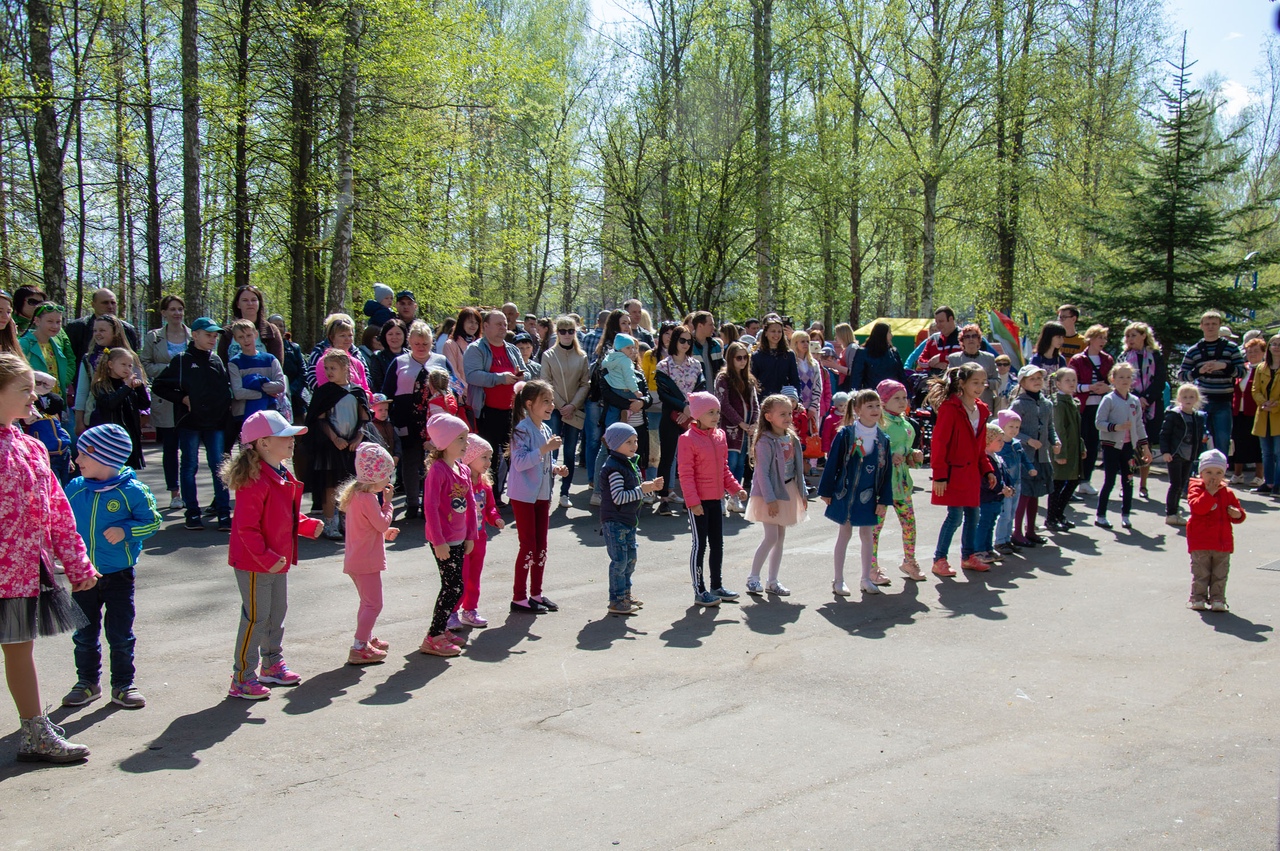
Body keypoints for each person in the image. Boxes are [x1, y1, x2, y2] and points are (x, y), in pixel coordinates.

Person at [0, 352, 98, 762]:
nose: (33, 399)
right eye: (24, 391)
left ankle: (34, 732)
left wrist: (77, 562)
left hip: (21, 572)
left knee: (20, 650)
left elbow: (57, 511)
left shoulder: (33, 447)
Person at [221, 410, 323, 698]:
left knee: (276, 613)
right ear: (264, 443)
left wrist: (306, 525)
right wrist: (266, 557)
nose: (292, 441)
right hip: (255, 563)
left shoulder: (280, 473)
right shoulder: (254, 480)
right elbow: (246, 529)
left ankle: (271, 664)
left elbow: (285, 516)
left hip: (275, 560)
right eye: (285, 436)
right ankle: (242, 677)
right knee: (255, 617)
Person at [62, 423, 161, 710]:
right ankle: (87, 683)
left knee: (120, 635)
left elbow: (153, 521)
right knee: (83, 633)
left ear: (105, 458)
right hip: (82, 576)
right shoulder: (76, 488)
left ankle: (123, 685)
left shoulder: (133, 491)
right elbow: (63, 524)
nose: (76, 460)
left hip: (118, 576)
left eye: (82, 455)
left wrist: (126, 531)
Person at [153, 317, 234, 531]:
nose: (212, 339)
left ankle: (224, 513)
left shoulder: (216, 360)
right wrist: (182, 399)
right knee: (189, 465)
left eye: (215, 336)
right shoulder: (182, 360)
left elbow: (225, 391)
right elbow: (159, 386)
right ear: (195, 335)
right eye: (208, 335)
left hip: (215, 423)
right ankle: (192, 512)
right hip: (189, 422)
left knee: (219, 466)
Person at [819, 389, 894, 593]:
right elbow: (832, 462)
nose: (875, 409)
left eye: (878, 405)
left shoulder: (883, 439)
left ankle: (865, 578)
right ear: (858, 409)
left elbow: (887, 472)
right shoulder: (846, 434)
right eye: (869, 406)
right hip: (845, 492)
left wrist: (884, 500)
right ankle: (838, 579)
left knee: (867, 534)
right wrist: (826, 490)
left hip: (868, 495)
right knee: (845, 532)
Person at [678, 392, 746, 607]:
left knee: (718, 543)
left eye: (717, 411)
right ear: (697, 415)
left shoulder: (720, 436)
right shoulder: (687, 439)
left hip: (716, 499)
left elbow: (724, 468)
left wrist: (736, 489)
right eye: (711, 412)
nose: (716, 416)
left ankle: (717, 586)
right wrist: (693, 502)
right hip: (699, 502)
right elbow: (685, 474)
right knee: (700, 545)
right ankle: (700, 590)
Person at [927, 365, 995, 576]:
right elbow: (939, 444)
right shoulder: (950, 408)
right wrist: (939, 475)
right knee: (955, 517)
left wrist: (988, 470)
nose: (980, 386)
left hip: (972, 474)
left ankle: (968, 556)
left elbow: (980, 447)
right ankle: (940, 559)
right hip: (953, 473)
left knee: (973, 515)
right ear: (962, 383)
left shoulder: (982, 410)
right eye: (975, 382)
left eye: (983, 382)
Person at [508, 380, 569, 614]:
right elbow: (521, 462)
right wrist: (545, 450)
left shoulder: (544, 428)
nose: (551, 405)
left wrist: (555, 467)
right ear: (530, 404)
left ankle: (536, 593)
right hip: (524, 496)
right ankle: (518, 596)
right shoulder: (522, 430)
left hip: (542, 494)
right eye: (546, 401)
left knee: (541, 545)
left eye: (552, 401)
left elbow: (541, 459)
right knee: (528, 546)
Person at [337, 443, 398, 665]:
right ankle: (359, 646)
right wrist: (388, 505)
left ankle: (366, 638)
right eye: (387, 475)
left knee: (366, 602)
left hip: (356, 558)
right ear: (376, 477)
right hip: (366, 562)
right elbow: (381, 524)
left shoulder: (356, 496)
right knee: (374, 604)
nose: (389, 480)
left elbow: (369, 528)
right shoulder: (369, 499)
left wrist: (383, 532)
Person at [420, 413, 475, 657]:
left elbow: (470, 504)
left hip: (458, 538)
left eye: (466, 438)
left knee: (455, 586)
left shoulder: (462, 469)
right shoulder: (438, 471)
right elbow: (430, 508)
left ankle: (441, 630)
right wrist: (439, 541)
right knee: (452, 587)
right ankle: (433, 636)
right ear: (444, 442)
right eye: (460, 439)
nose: (466, 443)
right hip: (443, 540)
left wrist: (470, 535)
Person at [381, 320, 448, 519]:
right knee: (410, 461)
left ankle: (430, 503)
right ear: (410, 341)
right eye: (417, 343)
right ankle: (412, 503)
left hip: (435, 421)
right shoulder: (399, 362)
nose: (421, 347)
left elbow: (455, 387)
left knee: (433, 463)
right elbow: (387, 392)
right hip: (407, 418)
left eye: (425, 344)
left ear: (432, 343)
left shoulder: (441, 361)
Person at [744, 393, 807, 595]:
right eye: (782, 414)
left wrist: (802, 492)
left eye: (790, 413)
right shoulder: (765, 441)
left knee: (780, 538)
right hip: (768, 494)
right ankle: (753, 577)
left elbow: (798, 469)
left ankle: (773, 581)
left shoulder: (791, 437)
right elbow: (762, 472)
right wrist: (770, 499)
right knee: (771, 537)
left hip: (787, 489)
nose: (788, 417)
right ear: (769, 416)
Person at [463, 310, 528, 501]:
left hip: (512, 412)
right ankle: (485, 496)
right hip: (486, 412)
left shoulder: (513, 349)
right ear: (486, 326)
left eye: (505, 324)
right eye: (498, 324)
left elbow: (527, 374)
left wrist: (522, 377)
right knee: (486, 457)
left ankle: (501, 494)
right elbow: (472, 375)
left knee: (511, 456)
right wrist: (499, 378)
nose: (503, 328)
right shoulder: (476, 349)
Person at [306, 349, 371, 539]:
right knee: (330, 486)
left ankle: (346, 520)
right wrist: (335, 438)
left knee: (350, 485)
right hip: (331, 447)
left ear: (345, 367)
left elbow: (364, 419)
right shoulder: (324, 392)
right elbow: (320, 419)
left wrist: (357, 439)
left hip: (352, 446)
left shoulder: (357, 391)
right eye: (326, 368)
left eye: (333, 368)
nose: (329, 372)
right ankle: (329, 522)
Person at [600, 422, 662, 615]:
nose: (634, 445)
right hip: (615, 521)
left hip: (628, 520)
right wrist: (643, 490)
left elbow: (634, 490)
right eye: (628, 442)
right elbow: (619, 497)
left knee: (630, 559)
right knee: (619, 561)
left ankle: (625, 593)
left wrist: (648, 487)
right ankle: (616, 599)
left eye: (635, 441)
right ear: (615, 444)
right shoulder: (615, 467)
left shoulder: (629, 462)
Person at [141, 296, 190, 508]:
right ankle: (174, 493)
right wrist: (171, 371)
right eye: (172, 309)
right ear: (164, 313)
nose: (177, 313)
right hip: (165, 400)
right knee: (170, 449)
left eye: (180, 309)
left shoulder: (193, 335)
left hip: (189, 401)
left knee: (189, 449)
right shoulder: (153, 338)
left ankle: (190, 492)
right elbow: (144, 364)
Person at [449, 434, 502, 629]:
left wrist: (495, 518)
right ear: (470, 457)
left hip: (480, 538)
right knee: (460, 577)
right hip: (462, 539)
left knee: (474, 577)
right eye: (484, 457)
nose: (489, 462)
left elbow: (490, 508)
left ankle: (470, 610)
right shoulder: (460, 483)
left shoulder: (485, 485)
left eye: (490, 457)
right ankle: (452, 612)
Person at [874, 380, 925, 581]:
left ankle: (909, 561)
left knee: (909, 524)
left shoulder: (907, 424)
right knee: (875, 529)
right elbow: (871, 450)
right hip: (882, 486)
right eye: (896, 398)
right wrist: (889, 456)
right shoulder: (879, 422)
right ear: (884, 401)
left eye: (904, 397)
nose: (902, 402)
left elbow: (906, 452)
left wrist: (914, 455)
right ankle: (871, 567)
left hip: (903, 485)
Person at [1178, 310, 1245, 459]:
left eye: (1214, 324)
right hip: (1202, 401)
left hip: (1223, 401)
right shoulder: (1194, 350)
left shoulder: (1231, 348)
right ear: (1201, 326)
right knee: (1199, 438)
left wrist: (1224, 366)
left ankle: (1220, 472)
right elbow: (1182, 376)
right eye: (1207, 324)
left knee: (1223, 439)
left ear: (1219, 326)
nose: (1210, 327)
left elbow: (1242, 372)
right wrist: (1198, 371)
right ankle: (1199, 471)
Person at [1092, 362, 1151, 530]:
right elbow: (1099, 423)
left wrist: (1144, 446)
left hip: (1128, 447)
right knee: (1109, 480)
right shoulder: (1109, 399)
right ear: (1113, 379)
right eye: (1121, 377)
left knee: (1128, 480)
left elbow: (1139, 424)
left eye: (1128, 377)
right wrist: (1115, 427)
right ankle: (1101, 515)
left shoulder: (1134, 401)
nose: (1125, 380)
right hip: (1111, 446)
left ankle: (1126, 515)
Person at [1185, 449, 1245, 612]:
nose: (1214, 477)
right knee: (1201, 572)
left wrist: (1238, 514)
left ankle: (1218, 599)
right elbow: (1197, 508)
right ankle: (1198, 597)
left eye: (1219, 473)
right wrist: (1209, 493)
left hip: (1221, 542)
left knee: (1220, 573)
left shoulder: (1227, 492)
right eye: (1209, 472)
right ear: (1201, 474)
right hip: (1200, 541)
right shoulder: (1196, 489)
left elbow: (1238, 513)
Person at [655, 324, 704, 513]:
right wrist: (683, 407)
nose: (685, 344)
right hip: (670, 415)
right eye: (681, 340)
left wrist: (690, 408)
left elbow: (701, 388)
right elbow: (664, 393)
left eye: (688, 341)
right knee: (667, 457)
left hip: (691, 416)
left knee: (690, 458)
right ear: (674, 340)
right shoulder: (663, 365)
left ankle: (690, 498)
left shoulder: (696, 364)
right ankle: (664, 498)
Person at [542, 315, 589, 509]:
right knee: (551, 451)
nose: (567, 335)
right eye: (562, 331)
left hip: (574, 410)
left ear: (575, 333)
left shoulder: (582, 356)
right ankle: (547, 490)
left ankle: (564, 492)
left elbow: (585, 384)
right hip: (554, 409)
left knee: (569, 452)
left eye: (570, 331)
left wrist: (573, 405)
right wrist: (561, 405)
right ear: (557, 333)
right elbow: (546, 382)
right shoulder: (548, 355)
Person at [73, 314, 144, 435]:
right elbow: (82, 391)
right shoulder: (88, 358)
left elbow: (139, 387)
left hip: (126, 416)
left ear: (115, 332)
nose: (97, 334)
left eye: (102, 330)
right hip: (97, 415)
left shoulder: (129, 357)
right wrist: (79, 421)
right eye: (95, 330)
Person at [1010, 365, 1056, 546]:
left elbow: (1050, 427)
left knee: (1036, 494)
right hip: (1024, 457)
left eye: (1039, 378)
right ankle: (1017, 531)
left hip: (1041, 457)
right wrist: (1028, 440)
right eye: (1032, 379)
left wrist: (1055, 442)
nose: (1037, 381)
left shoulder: (1047, 404)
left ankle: (1031, 530)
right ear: (1022, 382)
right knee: (1024, 494)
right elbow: (1012, 430)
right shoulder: (1018, 404)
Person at [1120, 322, 1166, 498]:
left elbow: (1160, 380)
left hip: (1151, 406)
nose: (1130, 339)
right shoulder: (1124, 356)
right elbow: (1119, 378)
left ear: (1143, 336)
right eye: (1128, 336)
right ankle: (1127, 483)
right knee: (1129, 446)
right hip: (1129, 404)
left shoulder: (1155, 355)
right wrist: (1136, 397)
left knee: (1145, 444)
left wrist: (1146, 397)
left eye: (1133, 335)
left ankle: (1144, 484)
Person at [86, 348, 150, 470]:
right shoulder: (101, 385)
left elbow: (144, 405)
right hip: (111, 437)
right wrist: (126, 387)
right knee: (114, 470)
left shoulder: (128, 384)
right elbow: (110, 403)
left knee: (130, 471)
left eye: (130, 366)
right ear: (110, 364)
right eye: (123, 364)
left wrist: (140, 387)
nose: (127, 369)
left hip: (130, 435)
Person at [1068, 325, 1113, 497]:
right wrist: (1090, 387)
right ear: (1090, 339)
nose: (1103, 341)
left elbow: (1113, 381)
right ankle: (1072, 479)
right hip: (1082, 406)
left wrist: (1107, 388)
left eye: (1104, 338)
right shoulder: (1078, 360)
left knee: (1093, 444)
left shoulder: (1108, 360)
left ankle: (1085, 480)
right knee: (1079, 443)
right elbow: (1072, 385)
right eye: (1099, 337)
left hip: (1100, 407)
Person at [715, 341, 759, 509]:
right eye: (738, 358)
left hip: (747, 430)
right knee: (729, 462)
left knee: (741, 463)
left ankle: (734, 497)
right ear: (730, 358)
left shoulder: (749, 380)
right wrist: (740, 422)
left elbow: (755, 404)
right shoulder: (723, 378)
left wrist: (754, 423)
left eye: (745, 358)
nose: (742, 361)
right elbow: (723, 404)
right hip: (731, 429)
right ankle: (720, 495)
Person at [1159, 384, 1209, 526]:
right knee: (1175, 484)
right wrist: (1166, 452)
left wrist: (1203, 443)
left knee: (1182, 484)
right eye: (1185, 397)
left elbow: (1199, 436)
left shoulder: (1197, 416)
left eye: (1192, 397)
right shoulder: (1174, 415)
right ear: (1179, 398)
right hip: (1175, 455)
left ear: (1197, 399)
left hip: (1189, 455)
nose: (1188, 399)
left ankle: (1175, 512)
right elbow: (1164, 434)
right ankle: (1171, 513)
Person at [1046, 369, 1085, 533]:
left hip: (1073, 449)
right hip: (1063, 450)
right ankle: (1051, 518)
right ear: (1058, 383)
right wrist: (1059, 453)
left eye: (1074, 380)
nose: (1072, 383)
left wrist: (1081, 446)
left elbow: (1077, 429)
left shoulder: (1071, 401)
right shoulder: (1059, 403)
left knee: (1073, 481)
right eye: (1067, 380)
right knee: (1058, 484)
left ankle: (1059, 514)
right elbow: (1059, 429)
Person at [63, 288, 141, 369]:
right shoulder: (77, 328)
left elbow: (133, 360)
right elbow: (69, 359)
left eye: (113, 303)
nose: (110, 306)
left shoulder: (128, 330)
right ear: (93, 305)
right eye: (105, 303)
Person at [228, 319, 286, 424]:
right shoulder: (234, 363)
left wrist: (254, 386)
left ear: (256, 335)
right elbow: (238, 393)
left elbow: (280, 385)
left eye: (249, 335)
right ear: (236, 339)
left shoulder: (270, 359)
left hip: (269, 411)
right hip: (242, 415)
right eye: (241, 337)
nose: (246, 340)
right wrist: (264, 393)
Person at [22, 370, 74, 485]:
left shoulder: (53, 415)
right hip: (47, 456)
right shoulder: (30, 416)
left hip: (63, 453)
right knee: (54, 487)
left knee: (65, 487)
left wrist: (69, 458)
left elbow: (60, 433)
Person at [975, 423, 1016, 564]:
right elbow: (985, 482)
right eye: (998, 440)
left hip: (997, 499)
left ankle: (988, 549)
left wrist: (1010, 487)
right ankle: (979, 550)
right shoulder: (984, 459)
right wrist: (1000, 489)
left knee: (991, 523)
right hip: (986, 499)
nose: (1002, 442)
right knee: (983, 524)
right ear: (987, 441)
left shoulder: (997, 458)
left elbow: (1005, 476)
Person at [19, 302, 74, 406]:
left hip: (54, 403)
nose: (55, 326)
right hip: (33, 405)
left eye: (58, 322)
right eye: (50, 321)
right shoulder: (24, 344)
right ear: (37, 321)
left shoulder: (55, 345)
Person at [995, 409, 1037, 545]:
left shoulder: (1016, 444)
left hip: (1017, 483)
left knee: (1012, 513)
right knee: (1005, 514)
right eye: (1011, 426)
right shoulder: (1000, 446)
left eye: (1017, 427)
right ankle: (1000, 541)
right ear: (1002, 426)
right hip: (1005, 485)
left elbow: (1024, 458)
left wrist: (1030, 468)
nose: (1014, 430)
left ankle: (1008, 540)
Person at [216, 285, 284, 366]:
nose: (250, 303)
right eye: (245, 300)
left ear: (259, 303)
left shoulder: (271, 330)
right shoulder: (228, 332)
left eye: (254, 300)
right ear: (238, 304)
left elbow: (277, 364)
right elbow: (222, 364)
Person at [306, 314, 372, 396]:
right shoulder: (323, 361)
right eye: (342, 335)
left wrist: (365, 396)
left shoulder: (357, 361)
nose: (347, 339)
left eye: (350, 335)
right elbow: (321, 388)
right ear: (332, 338)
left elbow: (366, 386)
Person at [1230, 337, 1266, 487]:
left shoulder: (1265, 369)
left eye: (1256, 351)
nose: (1252, 354)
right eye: (1249, 351)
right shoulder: (1242, 368)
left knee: (1257, 444)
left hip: (1256, 411)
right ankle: (1237, 474)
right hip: (1238, 411)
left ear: (1264, 353)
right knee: (1238, 441)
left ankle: (1259, 476)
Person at [1251, 334, 1280, 496]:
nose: (1276, 347)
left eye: (1279, 344)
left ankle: (1278, 484)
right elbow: (1255, 390)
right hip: (1263, 414)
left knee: (1278, 452)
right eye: (1273, 344)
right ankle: (1268, 483)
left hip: (1277, 415)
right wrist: (1263, 402)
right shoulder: (1262, 368)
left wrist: (1275, 406)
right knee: (1266, 452)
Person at [268, 314, 308, 423]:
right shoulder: (265, 348)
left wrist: (290, 391)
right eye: (275, 325)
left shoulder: (294, 348)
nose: (278, 328)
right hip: (272, 398)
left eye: (281, 325)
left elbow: (303, 372)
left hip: (295, 399)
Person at [849, 321, 906, 392]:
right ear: (882, 334)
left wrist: (907, 395)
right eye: (889, 332)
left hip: (892, 395)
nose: (892, 335)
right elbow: (856, 378)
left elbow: (901, 375)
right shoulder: (863, 352)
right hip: (872, 396)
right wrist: (855, 396)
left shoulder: (893, 352)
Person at [752, 316, 799, 398]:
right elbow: (753, 381)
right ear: (766, 333)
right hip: (763, 399)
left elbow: (795, 380)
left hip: (784, 399)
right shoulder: (757, 356)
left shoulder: (789, 355)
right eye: (773, 331)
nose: (776, 334)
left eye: (779, 331)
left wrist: (797, 399)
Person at [443, 307, 482, 397]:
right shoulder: (450, 345)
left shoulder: (480, 345)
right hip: (462, 397)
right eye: (470, 322)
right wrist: (467, 392)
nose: (474, 325)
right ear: (461, 323)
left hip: (480, 396)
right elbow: (452, 374)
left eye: (476, 323)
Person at [917, 306, 963, 375]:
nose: (938, 325)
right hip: (935, 381)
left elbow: (967, 358)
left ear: (951, 319)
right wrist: (934, 364)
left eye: (941, 321)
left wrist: (941, 357)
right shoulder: (933, 338)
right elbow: (920, 361)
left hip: (958, 380)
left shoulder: (966, 337)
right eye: (936, 322)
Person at [368, 317, 407, 393]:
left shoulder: (411, 355)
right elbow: (377, 384)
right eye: (390, 334)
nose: (394, 337)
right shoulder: (378, 357)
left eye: (398, 334)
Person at [686, 310, 724, 385]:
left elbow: (721, 368)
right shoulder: (687, 345)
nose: (714, 328)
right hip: (696, 393)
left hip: (714, 393)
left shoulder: (715, 345)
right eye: (710, 325)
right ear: (700, 326)